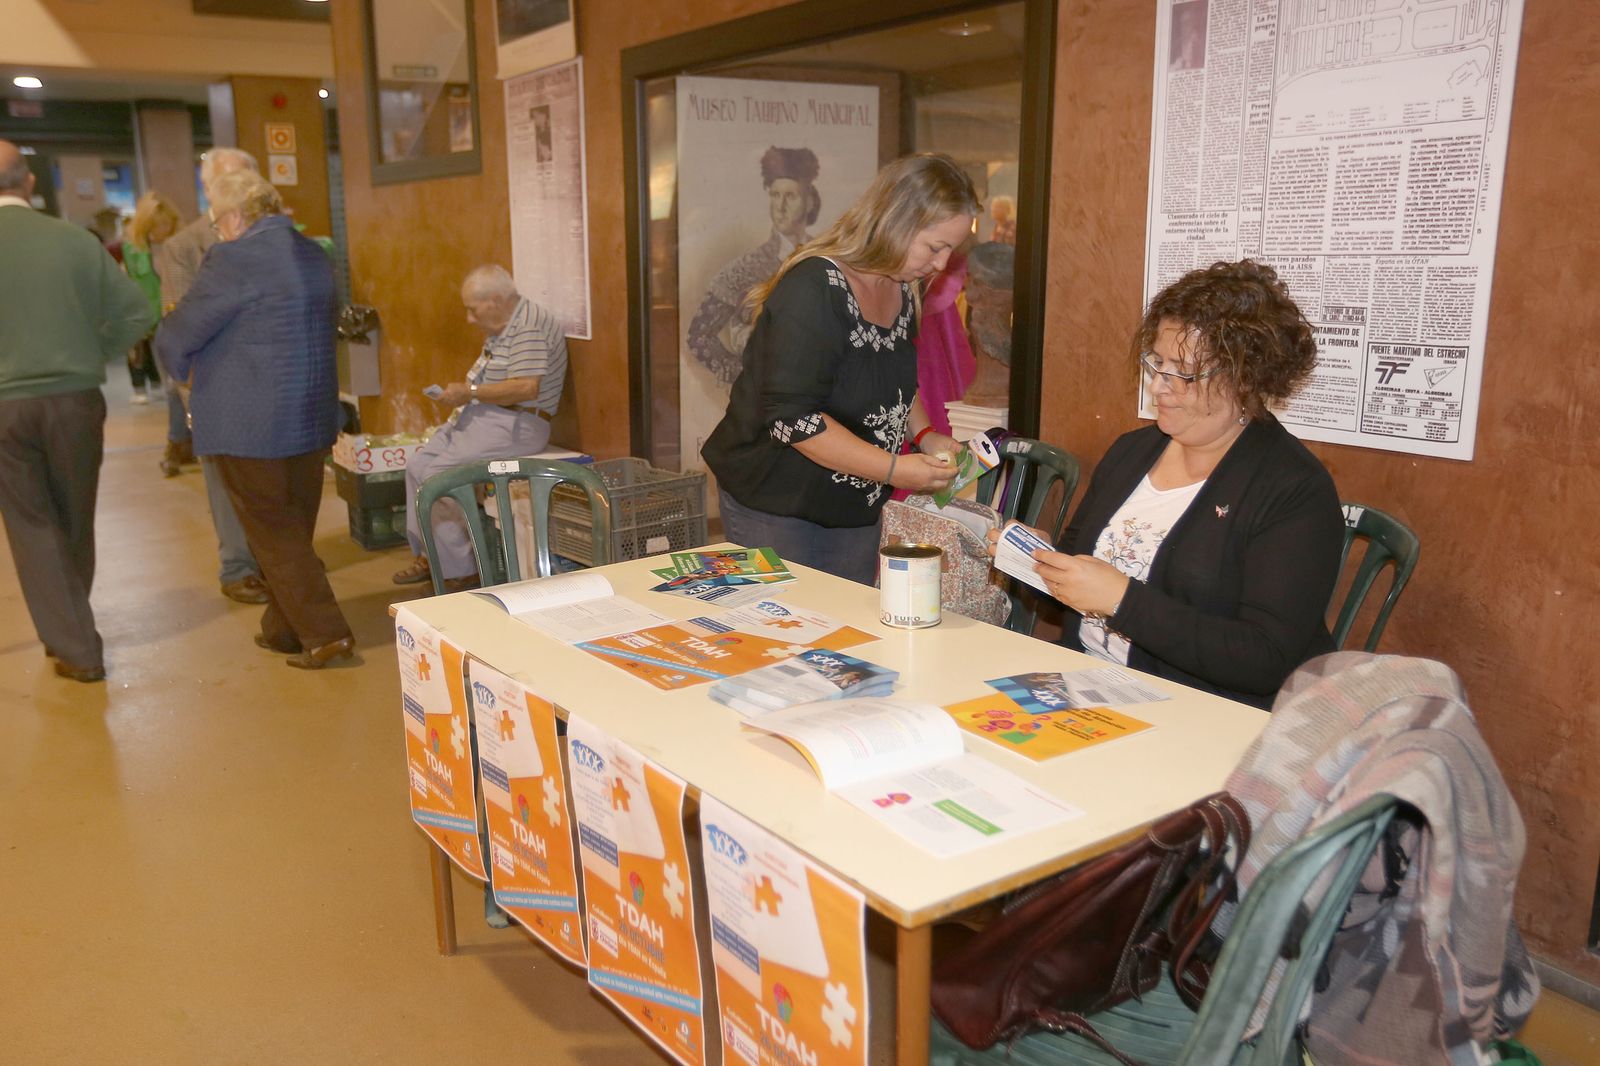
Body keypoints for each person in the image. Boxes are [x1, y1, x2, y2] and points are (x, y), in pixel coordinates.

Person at [998, 260, 1343, 708]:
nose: (1158, 385)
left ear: (1245, 378)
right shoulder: (1132, 452)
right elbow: (1072, 582)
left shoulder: (1293, 489)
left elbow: (1265, 659)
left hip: (1200, 713)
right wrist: (1040, 563)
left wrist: (1122, 600)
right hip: (1089, 684)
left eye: (1182, 372)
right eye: (1157, 363)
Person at [701, 153, 979, 585]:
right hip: (778, 500)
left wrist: (922, 434)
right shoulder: (814, 287)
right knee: (782, 629)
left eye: (951, 250)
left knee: (845, 631)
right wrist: (896, 469)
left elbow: (895, 378)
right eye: (935, 247)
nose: (942, 264)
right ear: (895, 222)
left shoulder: (903, 288)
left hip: (853, 500)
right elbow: (794, 421)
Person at [155, 170, 353, 670]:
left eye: (217, 220)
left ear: (236, 215)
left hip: (249, 421)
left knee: (272, 530)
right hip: (310, 412)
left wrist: (179, 373)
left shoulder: (232, 258)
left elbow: (181, 331)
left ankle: (325, 633)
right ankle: (283, 626)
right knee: (292, 523)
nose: (217, 230)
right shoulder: (315, 253)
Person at [0, 140, 154, 681]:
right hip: (76, 400)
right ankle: (68, 625)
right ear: (29, 182)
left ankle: (74, 643)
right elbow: (138, 310)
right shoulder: (74, 241)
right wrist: (94, 353)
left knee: (30, 523)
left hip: (5, 407)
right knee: (74, 515)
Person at [391, 265, 568, 590]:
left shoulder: (528, 328)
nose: (470, 319)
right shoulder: (505, 323)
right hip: (485, 414)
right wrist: (462, 396)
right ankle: (434, 556)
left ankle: (462, 570)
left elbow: (527, 388)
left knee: (437, 477)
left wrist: (468, 392)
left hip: (517, 422)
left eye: (472, 310)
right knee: (417, 465)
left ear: (496, 300)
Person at [157, 147, 267, 603]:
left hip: (267, 377)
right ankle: (238, 567)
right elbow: (184, 323)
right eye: (230, 184)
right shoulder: (184, 246)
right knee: (223, 480)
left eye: (247, 182)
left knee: (271, 478)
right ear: (208, 190)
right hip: (213, 382)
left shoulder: (272, 234)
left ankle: (272, 560)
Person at [686, 146, 822, 388]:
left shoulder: (829, 261)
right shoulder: (743, 270)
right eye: (774, 195)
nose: (780, 206)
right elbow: (698, 336)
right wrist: (743, 377)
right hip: (763, 408)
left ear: (809, 201)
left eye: (790, 196)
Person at [121, 192, 179, 407]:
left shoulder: (177, 245)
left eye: (166, 225)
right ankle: (141, 386)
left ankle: (165, 389)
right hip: (143, 311)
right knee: (138, 352)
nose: (162, 230)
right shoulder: (133, 249)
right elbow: (133, 280)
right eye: (156, 226)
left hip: (170, 313)